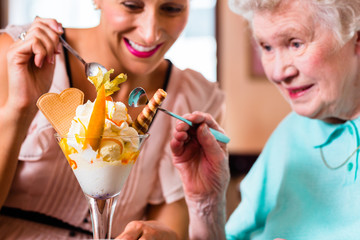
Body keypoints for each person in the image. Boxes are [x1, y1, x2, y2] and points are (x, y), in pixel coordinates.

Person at [0, 0, 225, 239]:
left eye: (172, 9)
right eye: (131, 5)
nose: (150, 34)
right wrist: (19, 109)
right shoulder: (17, 54)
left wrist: (161, 235)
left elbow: (171, 222)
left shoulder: (193, 97)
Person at [171, 0, 360, 239]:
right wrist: (205, 203)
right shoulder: (290, 134)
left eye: (296, 43)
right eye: (267, 47)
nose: (278, 72)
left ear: (356, 38)